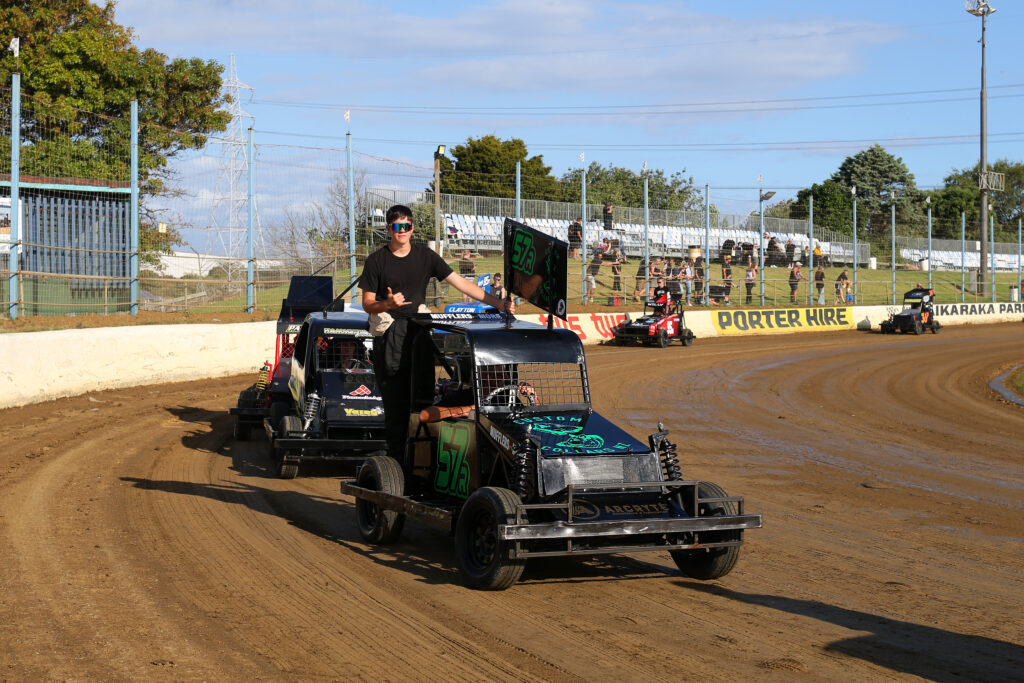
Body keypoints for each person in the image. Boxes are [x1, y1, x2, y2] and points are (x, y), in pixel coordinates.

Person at [359, 204, 514, 466]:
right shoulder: (376, 261)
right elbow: (367, 303)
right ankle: (397, 463)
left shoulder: (426, 256)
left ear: (412, 228)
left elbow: (461, 282)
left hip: (419, 332)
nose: (402, 231)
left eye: (407, 226)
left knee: (423, 396)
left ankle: (423, 462)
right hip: (389, 336)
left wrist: (498, 303)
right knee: (396, 403)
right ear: (389, 229)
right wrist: (387, 304)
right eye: (397, 226)